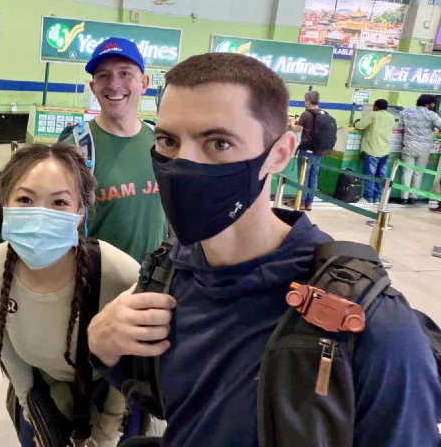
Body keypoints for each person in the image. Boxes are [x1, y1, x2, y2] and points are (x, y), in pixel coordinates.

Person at [87, 53, 441, 447]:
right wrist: (100, 344)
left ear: (280, 153)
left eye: (218, 143)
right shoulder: (168, 275)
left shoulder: (370, 324)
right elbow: (176, 404)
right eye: (168, 141)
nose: (183, 164)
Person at [0, 143, 139, 447]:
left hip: (110, 399)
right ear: (3, 203)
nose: (40, 216)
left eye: (59, 202)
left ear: (80, 214)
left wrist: (104, 434)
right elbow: (12, 359)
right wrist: (37, 419)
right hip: (43, 393)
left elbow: (131, 370)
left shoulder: (120, 276)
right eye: (25, 199)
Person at [60, 37, 169, 263]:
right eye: (103, 75)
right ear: (93, 88)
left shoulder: (162, 143)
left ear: (144, 83)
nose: (114, 84)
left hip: (156, 278)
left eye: (125, 73)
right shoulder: (74, 150)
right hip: (97, 279)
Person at [396, 93, 441, 206]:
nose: (434, 105)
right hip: (424, 148)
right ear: (428, 104)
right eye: (433, 103)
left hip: (408, 146)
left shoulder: (406, 112)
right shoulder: (431, 114)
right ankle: (413, 197)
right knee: (418, 173)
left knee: (407, 172)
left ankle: (403, 198)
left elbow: (399, 127)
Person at [284, 90, 323, 211]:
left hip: (306, 150)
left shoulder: (306, 114)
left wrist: (292, 123)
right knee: (313, 176)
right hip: (319, 151)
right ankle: (309, 203)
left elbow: (296, 129)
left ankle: (300, 201)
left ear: (308, 101)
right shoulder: (323, 113)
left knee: (303, 176)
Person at [354, 98, 395, 204]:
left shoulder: (373, 115)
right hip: (385, 150)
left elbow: (360, 125)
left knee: (369, 175)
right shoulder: (391, 117)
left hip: (372, 149)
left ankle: (368, 198)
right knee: (380, 176)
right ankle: (377, 198)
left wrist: (356, 123)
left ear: (376, 106)